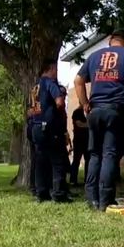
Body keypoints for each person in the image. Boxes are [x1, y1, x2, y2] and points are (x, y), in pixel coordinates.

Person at [74, 28, 124, 211]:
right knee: (109, 154)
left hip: (95, 111)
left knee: (94, 154)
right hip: (117, 111)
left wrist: (84, 103)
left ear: (110, 40)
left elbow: (78, 80)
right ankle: (105, 199)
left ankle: (91, 198)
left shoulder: (94, 57)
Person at [31, 58, 70, 203]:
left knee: (41, 161)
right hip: (49, 127)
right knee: (57, 160)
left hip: (36, 126)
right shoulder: (50, 83)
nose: (56, 73)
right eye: (56, 70)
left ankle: (41, 194)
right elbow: (59, 102)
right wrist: (57, 113)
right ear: (51, 69)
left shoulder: (35, 87)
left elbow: (32, 109)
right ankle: (59, 194)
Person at [69, 107, 90, 185]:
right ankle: (73, 180)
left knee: (88, 160)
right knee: (76, 160)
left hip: (88, 140)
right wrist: (90, 124)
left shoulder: (90, 112)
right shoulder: (77, 112)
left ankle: (87, 180)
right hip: (79, 140)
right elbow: (79, 124)